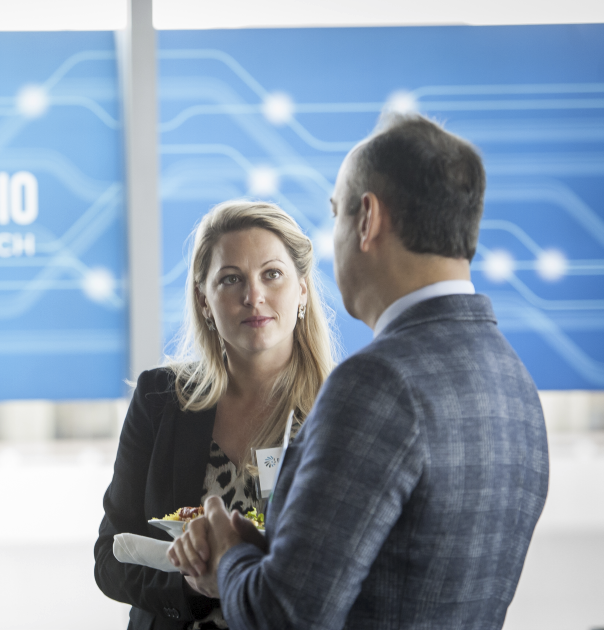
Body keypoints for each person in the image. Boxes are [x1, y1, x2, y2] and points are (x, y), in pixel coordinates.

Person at [168, 113, 550, 629]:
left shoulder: (376, 384)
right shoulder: (513, 381)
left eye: (334, 214)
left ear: (367, 218)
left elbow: (281, 616)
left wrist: (228, 555)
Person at [94, 201, 336, 630]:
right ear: (204, 300)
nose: (253, 296)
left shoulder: (339, 411)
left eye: (272, 274)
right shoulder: (159, 399)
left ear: (301, 290)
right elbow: (109, 559)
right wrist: (196, 590)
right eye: (230, 279)